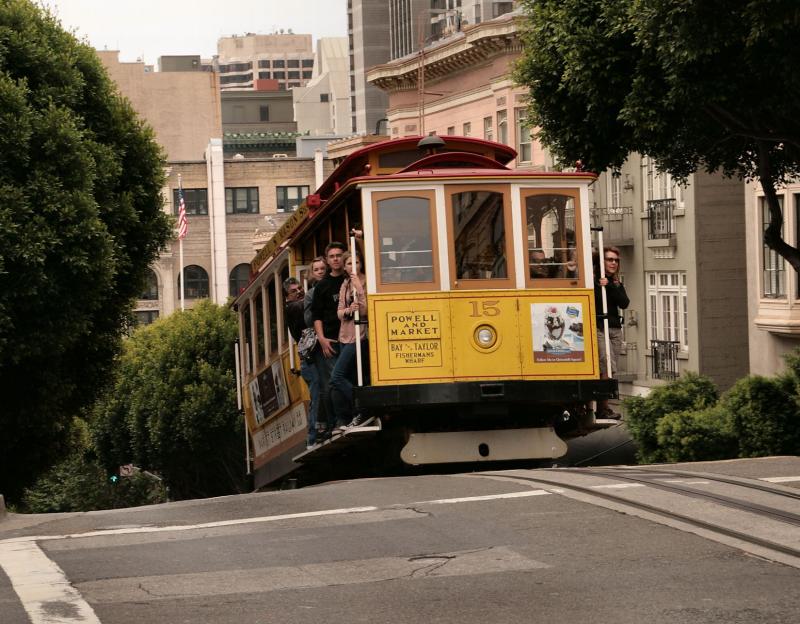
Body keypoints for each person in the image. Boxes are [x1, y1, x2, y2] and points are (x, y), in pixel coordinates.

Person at [330, 251, 370, 429]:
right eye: (349, 264)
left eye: (357, 262)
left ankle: (363, 406)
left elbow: (364, 312)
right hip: (345, 336)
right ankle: (357, 413)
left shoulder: (367, 281)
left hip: (360, 335)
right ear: (344, 267)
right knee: (349, 377)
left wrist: (359, 289)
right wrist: (348, 310)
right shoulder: (345, 284)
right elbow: (339, 312)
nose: (353, 266)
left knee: (336, 376)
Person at [310, 242, 347, 432]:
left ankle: (351, 414)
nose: (336, 259)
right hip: (330, 340)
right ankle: (338, 420)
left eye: (339, 255)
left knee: (346, 377)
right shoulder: (322, 286)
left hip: (350, 338)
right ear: (328, 259)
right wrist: (322, 339)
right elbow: (316, 315)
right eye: (332, 256)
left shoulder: (350, 280)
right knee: (333, 380)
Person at [594, 246, 629, 419]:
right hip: (600, 327)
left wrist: (612, 286)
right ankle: (603, 408)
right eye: (610, 259)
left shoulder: (615, 283)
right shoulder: (594, 280)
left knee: (612, 368)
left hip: (615, 328)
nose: (613, 263)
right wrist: (601, 285)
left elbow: (624, 303)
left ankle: (603, 406)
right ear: (602, 261)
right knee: (606, 365)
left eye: (616, 260)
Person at [301, 257, 328, 442]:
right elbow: (309, 320)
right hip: (317, 347)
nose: (320, 271)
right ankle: (315, 432)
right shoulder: (311, 294)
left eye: (322, 268)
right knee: (319, 386)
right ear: (312, 273)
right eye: (316, 269)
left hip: (334, 339)